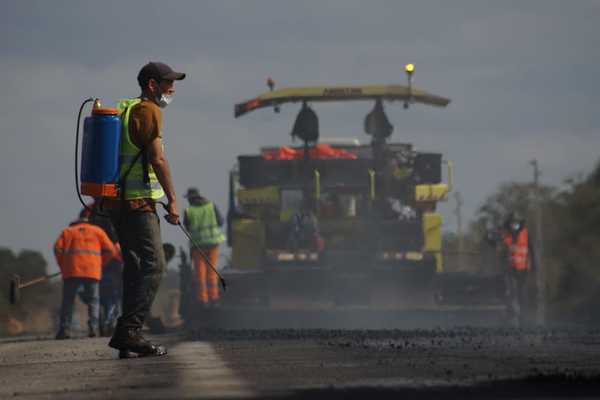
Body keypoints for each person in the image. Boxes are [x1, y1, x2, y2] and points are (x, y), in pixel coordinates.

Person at [102, 61, 185, 357]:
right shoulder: (150, 110)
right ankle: (130, 331)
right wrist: (173, 199)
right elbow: (157, 159)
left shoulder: (126, 108)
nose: (172, 88)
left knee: (135, 267)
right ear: (152, 85)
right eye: (168, 83)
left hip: (117, 202)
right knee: (155, 265)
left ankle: (126, 337)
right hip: (137, 204)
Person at [53, 211, 118, 339]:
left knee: (68, 302)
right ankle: (93, 329)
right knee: (93, 301)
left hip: (71, 271)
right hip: (92, 271)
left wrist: (63, 265)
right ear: (89, 219)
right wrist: (100, 262)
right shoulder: (97, 231)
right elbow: (112, 250)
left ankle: (64, 330)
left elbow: (57, 249)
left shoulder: (68, 232)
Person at [183, 188, 225, 306]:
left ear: (190, 198)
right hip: (213, 244)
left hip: (198, 246)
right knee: (211, 272)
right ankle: (214, 298)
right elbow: (221, 222)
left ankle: (203, 300)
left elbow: (188, 227)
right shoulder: (211, 206)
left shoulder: (188, 211)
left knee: (200, 274)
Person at [501, 212, 536, 328]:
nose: (514, 225)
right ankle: (511, 317)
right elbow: (502, 249)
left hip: (523, 269)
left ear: (520, 223)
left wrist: (534, 265)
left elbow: (531, 249)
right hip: (511, 269)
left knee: (522, 294)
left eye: (516, 223)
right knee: (511, 293)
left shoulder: (525, 234)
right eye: (512, 223)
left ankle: (523, 318)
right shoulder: (506, 235)